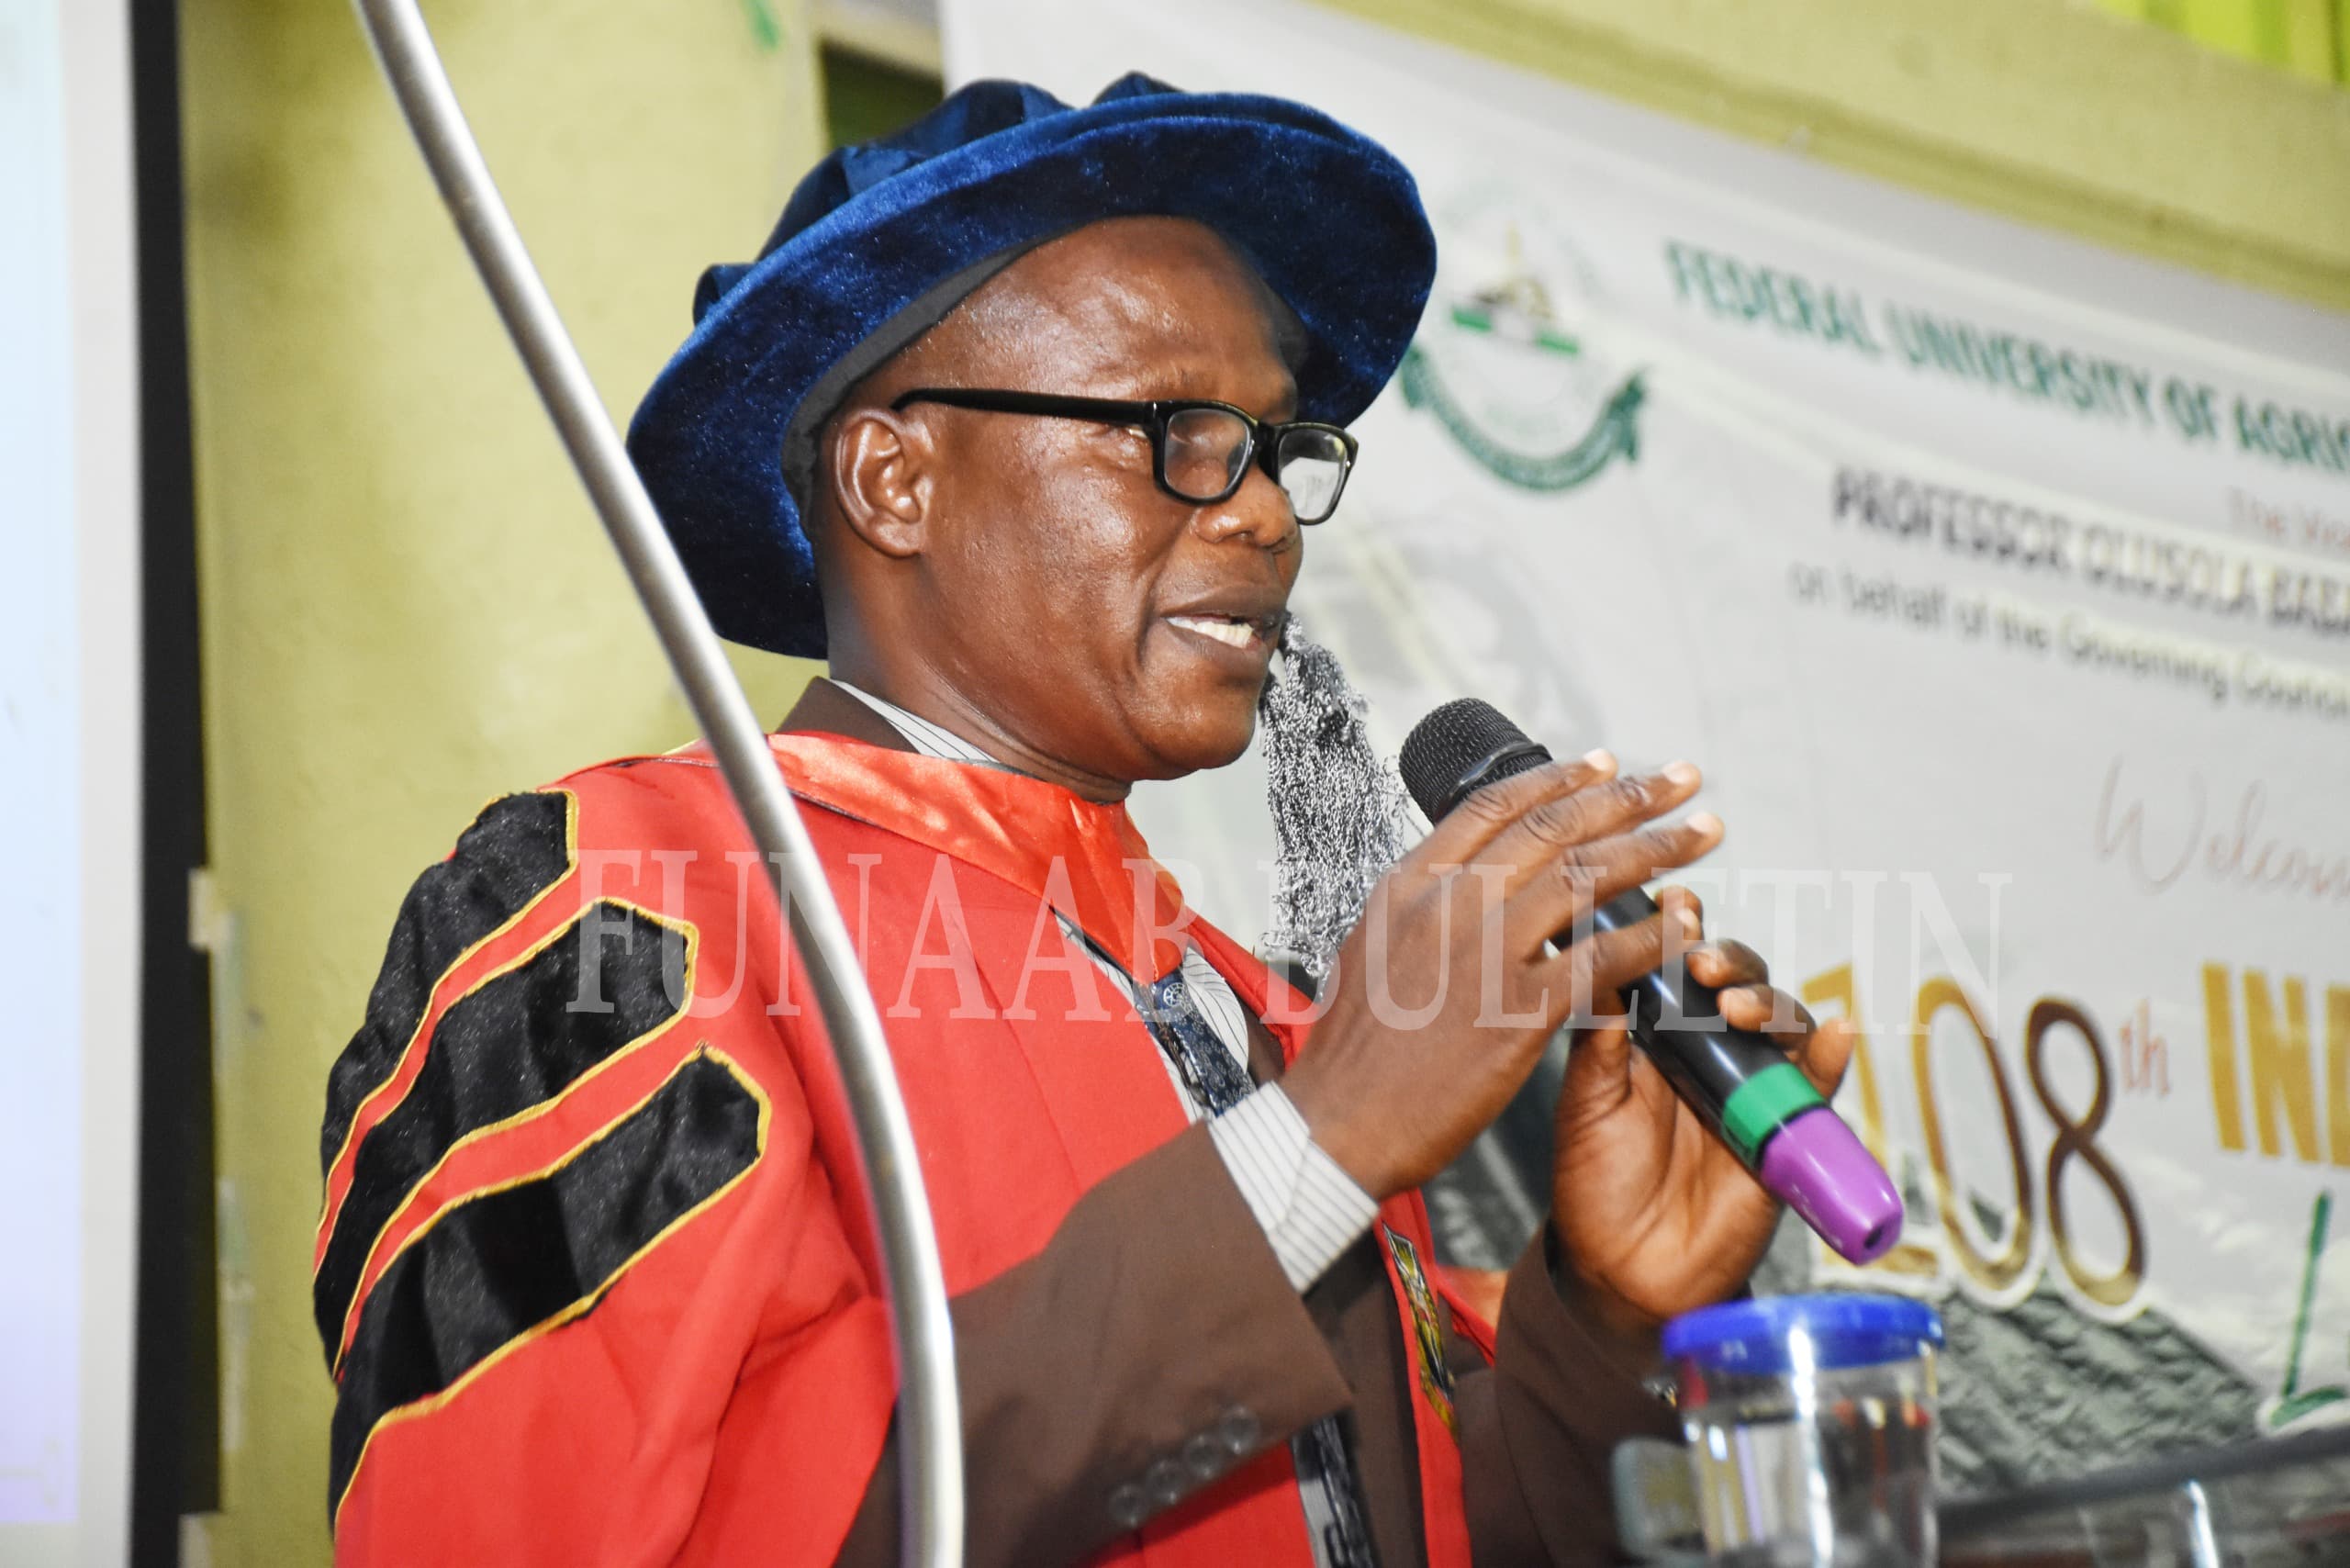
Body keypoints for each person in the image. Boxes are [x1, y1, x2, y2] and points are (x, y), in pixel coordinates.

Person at [313, 75, 1852, 1567]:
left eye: (1274, 451)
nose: (1256, 512)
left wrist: (1596, 1317)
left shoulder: (1250, 1010)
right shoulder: (615, 909)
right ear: (894, 478)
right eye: (1175, 433)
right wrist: (1323, 1144)